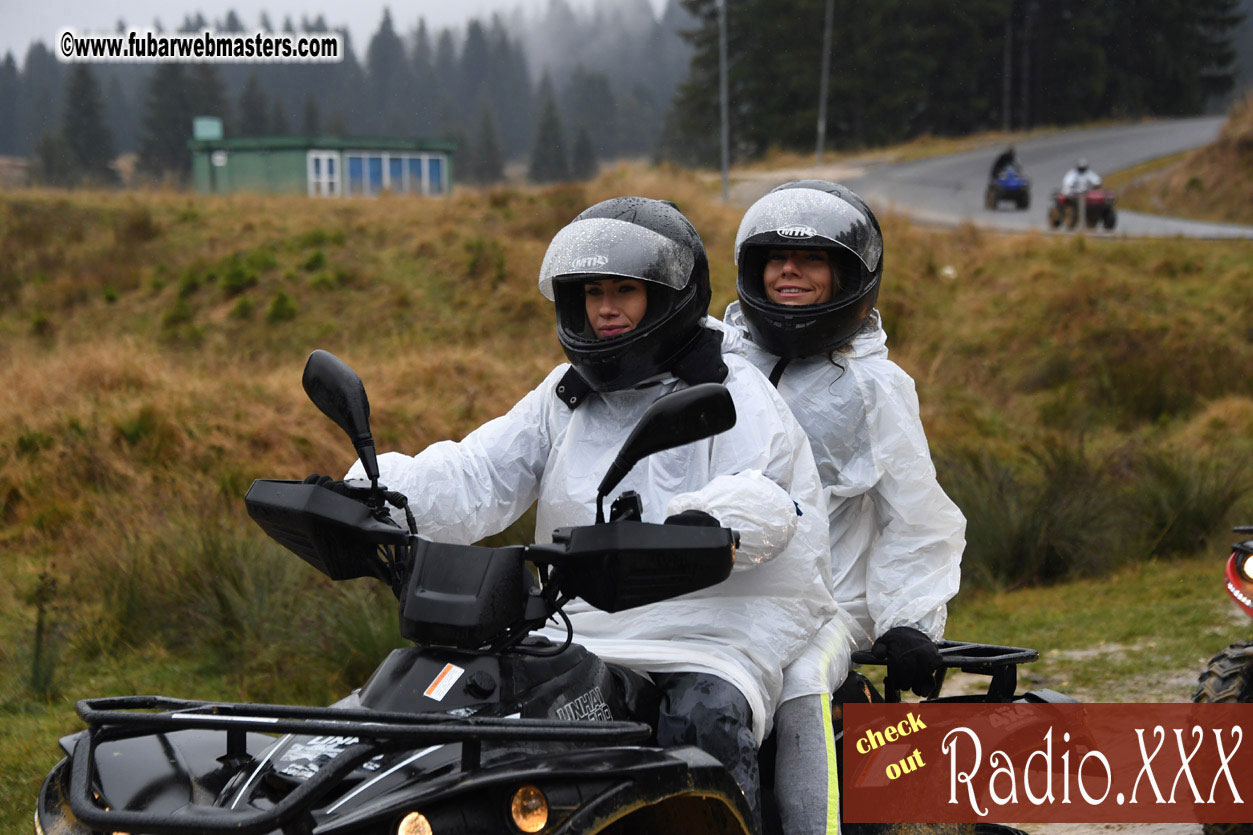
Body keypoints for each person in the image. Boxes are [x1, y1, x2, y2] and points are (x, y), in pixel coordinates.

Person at [345, 196, 837, 830]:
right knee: (474, 710)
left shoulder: (732, 387)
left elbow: (768, 498)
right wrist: (376, 492)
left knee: (703, 716)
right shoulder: (566, 394)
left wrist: (703, 526)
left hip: (714, 631)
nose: (605, 309)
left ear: (666, 297)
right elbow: (477, 473)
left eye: (625, 292)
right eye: (592, 292)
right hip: (577, 627)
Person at [717, 180, 965, 835]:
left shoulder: (875, 387)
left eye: (812, 260)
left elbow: (915, 518)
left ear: (849, 275)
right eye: (774, 258)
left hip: (824, 607)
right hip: (716, 591)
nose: (788, 270)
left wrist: (909, 620)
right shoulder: (717, 364)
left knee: (796, 678)